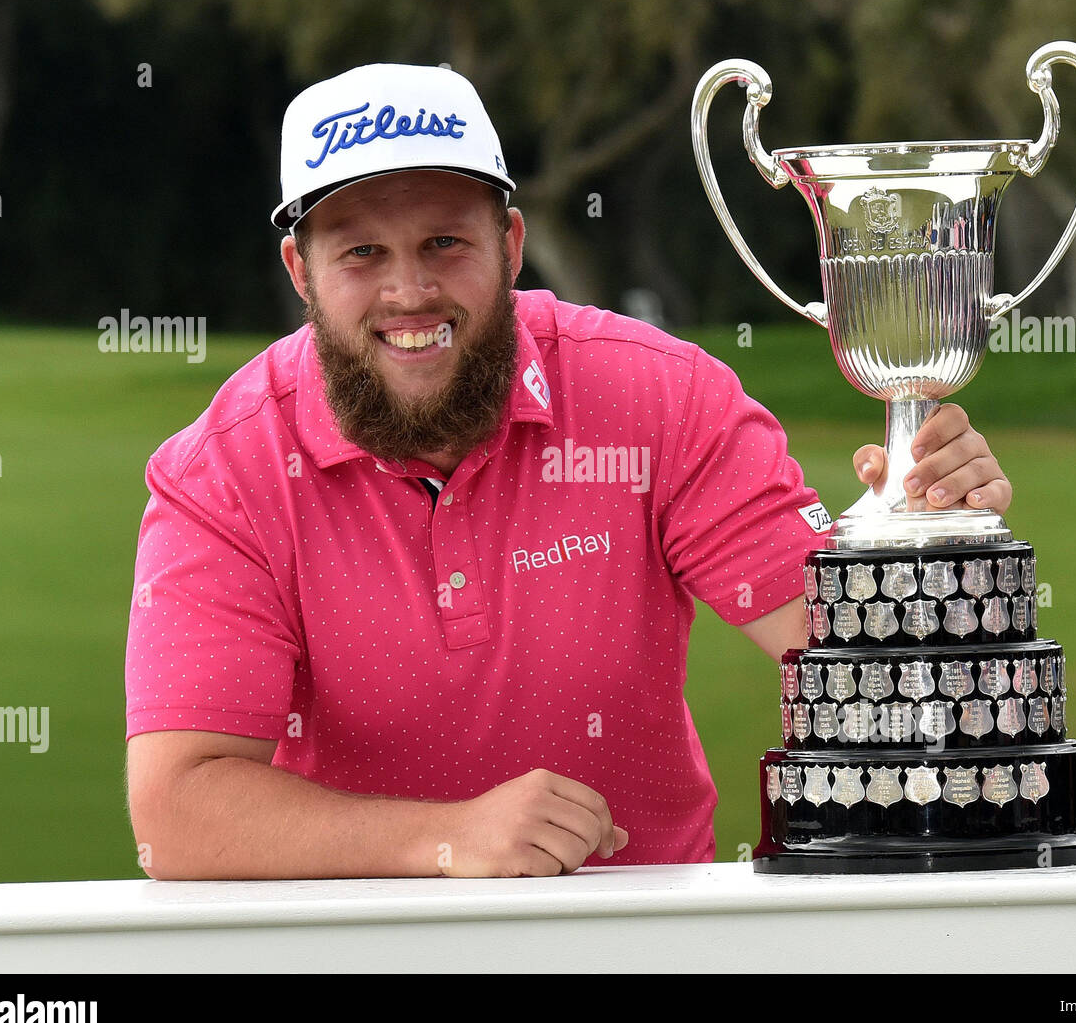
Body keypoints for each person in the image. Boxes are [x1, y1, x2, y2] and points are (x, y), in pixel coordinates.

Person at [124, 64, 1012, 880]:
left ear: (510, 244)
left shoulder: (659, 395)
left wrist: (923, 534)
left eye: (444, 242)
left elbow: (853, 658)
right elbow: (174, 813)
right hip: (359, 956)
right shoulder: (223, 472)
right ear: (301, 272)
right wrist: (443, 836)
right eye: (360, 253)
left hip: (645, 947)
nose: (409, 293)